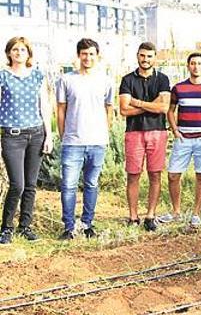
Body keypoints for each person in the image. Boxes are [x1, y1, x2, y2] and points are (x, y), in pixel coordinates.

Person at [56, 38, 114, 240]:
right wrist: (63, 135)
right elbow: (61, 109)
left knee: (91, 184)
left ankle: (87, 224)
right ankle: (69, 227)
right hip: (73, 143)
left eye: (91, 54)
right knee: (69, 186)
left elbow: (109, 108)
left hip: (97, 142)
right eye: (84, 53)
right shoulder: (66, 80)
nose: (87, 57)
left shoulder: (105, 80)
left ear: (97, 56)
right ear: (78, 55)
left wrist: (105, 132)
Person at [0, 36, 53, 244]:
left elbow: (45, 106)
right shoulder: (3, 77)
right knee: (17, 184)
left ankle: (25, 226)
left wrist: (49, 135)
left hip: (36, 134)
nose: (18, 53)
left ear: (28, 53)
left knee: (31, 184)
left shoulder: (37, 76)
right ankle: (6, 228)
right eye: (15, 49)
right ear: (9, 53)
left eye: (22, 50)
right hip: (12, 136)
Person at [165, 52, 201, 227]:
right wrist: (175, 130)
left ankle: (196, 213)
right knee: (173, 175)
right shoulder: (178, 88)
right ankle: (176, 212)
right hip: (183, 138)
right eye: (193, 63)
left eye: (199, 63)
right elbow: (170, 110)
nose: (196, 66)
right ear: (188, 66)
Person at [118, 42, 171, 231]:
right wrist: (151, 105)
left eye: (149, 56)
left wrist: (137, 102)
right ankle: (133, 216)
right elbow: (124, 109)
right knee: (133, 175)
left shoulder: (163, 79)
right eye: (142, 55)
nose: (145, 59)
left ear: (155, 57)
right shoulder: (127, 80)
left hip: (157, 132)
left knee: (155, 174)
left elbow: (164, 107)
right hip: (134, 133)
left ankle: (150, 215)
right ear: (137, 56)